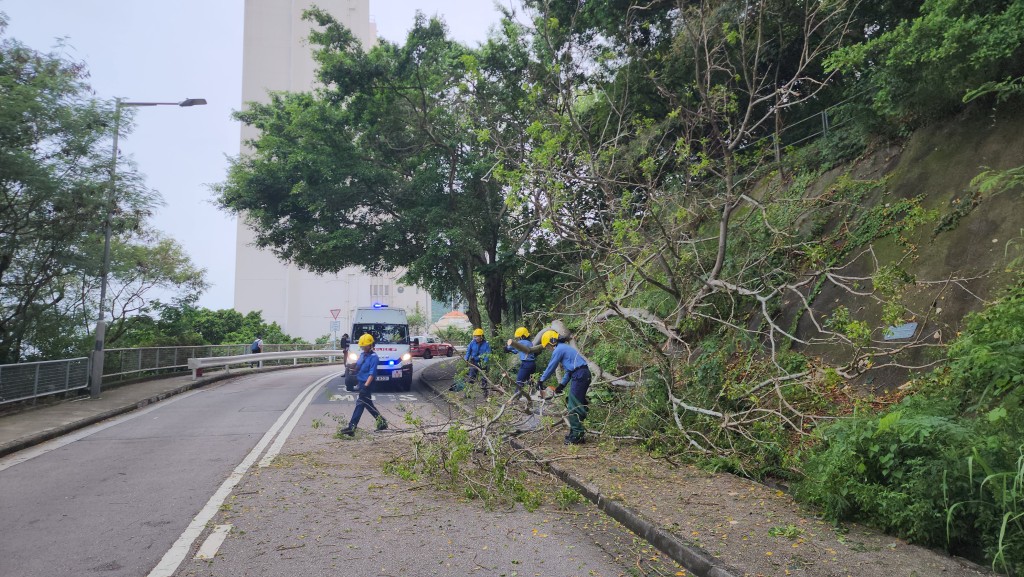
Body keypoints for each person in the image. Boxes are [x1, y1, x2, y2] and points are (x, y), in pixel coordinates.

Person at [537, 330, 591, 445]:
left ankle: (578, 435)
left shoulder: (559, 349)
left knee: (574, 405)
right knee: (575, 403)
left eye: (547, 346)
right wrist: (561, 385)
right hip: (581, 374)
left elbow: (551, 366)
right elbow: (568, 371)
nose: (548, 348)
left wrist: (541, 380)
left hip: (580, 375)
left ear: (552, 341)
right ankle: (575, 432)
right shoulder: (564, 348)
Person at [340, 333, 388, 436]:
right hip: (361, 382)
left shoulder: (374, 357)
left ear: (371, 345)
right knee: (368, 404)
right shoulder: (362, 355)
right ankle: (382, 422)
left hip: (368, 383)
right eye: (362, 346)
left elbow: (372, 374)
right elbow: (358, 366)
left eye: (364, 346)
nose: (363, 348)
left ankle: (352, 427)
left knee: (360, 403)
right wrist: (351, 367)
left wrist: (365, 386)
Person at [505, 326, 537, 413]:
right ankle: (533, 399)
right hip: (532, 364)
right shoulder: (529, 343)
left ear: (521, 336)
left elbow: (510, 347)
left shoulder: (521, 342)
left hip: (526, 364)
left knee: (519, 382)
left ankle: (515, 400)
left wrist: (507, 348)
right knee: (530, 382)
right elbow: (517, 351)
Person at [462, 328, 492, 397]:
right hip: (474, 362)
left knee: (484, 379)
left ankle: (485, 393)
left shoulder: (486, 344)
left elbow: (488, 354)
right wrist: (466, 358)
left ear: (481, 336)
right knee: (471, 377)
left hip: (483, 363)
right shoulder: (472, 343)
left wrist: (484, 362)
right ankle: (468, 393)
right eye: (474, 336)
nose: (475, 338)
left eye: (477, 336)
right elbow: (468, 351)